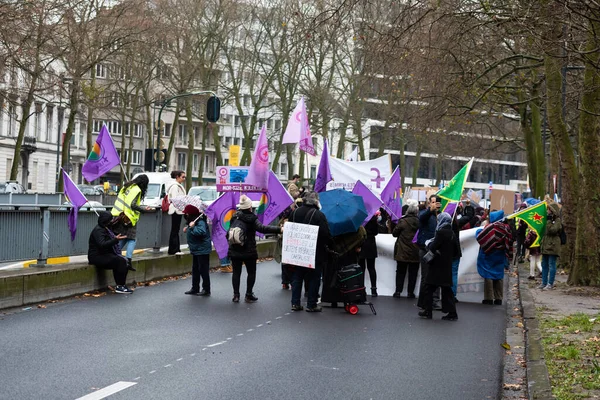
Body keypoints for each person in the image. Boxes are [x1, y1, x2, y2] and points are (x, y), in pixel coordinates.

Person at [228, 195, 282, 303]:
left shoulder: (234, 217)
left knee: (236, 273)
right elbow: (263, 228)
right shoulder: (252, 218)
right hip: (249, 250)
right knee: (251, 272)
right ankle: (248, 294)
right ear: (250, 207)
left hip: (235, 249)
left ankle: (236, 295)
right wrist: (279, 229)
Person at [288, 191, 332, 312]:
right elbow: (325, 234)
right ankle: (311, 304)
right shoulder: (319, 215)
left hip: (297, 251)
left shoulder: (295, 212)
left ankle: (295, 303)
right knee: (314, 278)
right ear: (316, 202)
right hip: (315, 253)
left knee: (297, 277)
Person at [418, 212, 459, 321]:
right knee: (447, 290)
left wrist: (428, 243)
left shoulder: (440, 232)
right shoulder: (451, 233)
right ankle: (452, 313)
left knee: (428, 287)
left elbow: (433, 247)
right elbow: (456, 250)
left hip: (437, 265)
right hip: (446, 265)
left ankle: (428, 311)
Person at [110, 174, 154, 270]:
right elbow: (133, 205)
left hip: (118, 214)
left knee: (124, 237)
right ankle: (128, 261)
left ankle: (115, 254)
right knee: (132, 239)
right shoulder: (137, 190)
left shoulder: (127, 186)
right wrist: (144, 210)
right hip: (128, 218)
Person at [88, 211, 131, 294]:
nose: (111, 221)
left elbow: (116, 226)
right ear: (105, 221)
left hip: (105, 254)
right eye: (110, 220)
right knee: (119, 261)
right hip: (96, 257)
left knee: (124, 260)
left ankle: (121, 285)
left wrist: (120, 219)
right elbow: (102, 244)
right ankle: (120, 286)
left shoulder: (107, 228)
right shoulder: (98, 230)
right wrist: (115, 240)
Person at [476, 210, 513, 305]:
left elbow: (479, 235)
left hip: (489, 254)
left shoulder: (490, 227)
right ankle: (499, 298)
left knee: (488, 275)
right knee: (498, 276)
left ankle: (489, 298)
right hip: (500, 255)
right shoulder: (506, 228)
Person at [416, 194, 442, 310]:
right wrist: (430, 211)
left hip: (436, 250)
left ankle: (435, 301)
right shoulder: (425, 214)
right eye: (432, 202)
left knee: (436, 276)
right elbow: (421, 219)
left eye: (436, 203)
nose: (433, 204)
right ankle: (424, 302)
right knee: (426, 277)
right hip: (425, 249)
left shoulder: (441, 216)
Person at [392, 200, 420, 298]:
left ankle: (398, 291)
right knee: (413, 273)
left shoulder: (403, 221)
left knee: (400, 272)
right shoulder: (420, 221)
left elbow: (394, 233)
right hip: (415, 251)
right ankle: (410, 292)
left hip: (402, 251)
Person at [183, 204, 211, 296]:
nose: (185, 215)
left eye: (186, 214)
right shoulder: (194, 221)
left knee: (203, 269)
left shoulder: (200, 222)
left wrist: (192, 227)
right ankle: (195, 288)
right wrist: (188, 228)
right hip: (196, 249)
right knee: (195, 269)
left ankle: (206, 289)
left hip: (202, 249)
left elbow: (201, 232)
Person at [539, 203, 562, 290]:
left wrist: (548, 221)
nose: (547, 211)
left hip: (553, 245)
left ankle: (550, 283)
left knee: (551, 264)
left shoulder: (557, 220)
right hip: (545, 245)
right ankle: (544, 282)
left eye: (549, 210)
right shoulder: (547, 219)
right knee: (544, 264)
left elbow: (552, 230)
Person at [358, 214, 379, 297]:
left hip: (361, 243)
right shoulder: (373, 218)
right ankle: (374, 289)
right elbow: (376, 232)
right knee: (371, 268)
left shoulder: (359, 217)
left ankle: (361, 289)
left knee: (361, 268)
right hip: (371, 244)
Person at [167, 170, 187, 255]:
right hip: (176, 210)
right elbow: (175, 199)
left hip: (177, 210)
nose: (184, 178)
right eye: (183, 177)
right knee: (175, 230)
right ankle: (174, 249)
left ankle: (175, 249)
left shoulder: (176, 186)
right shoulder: (175, 187)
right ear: (177, 177)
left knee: (175, 229)